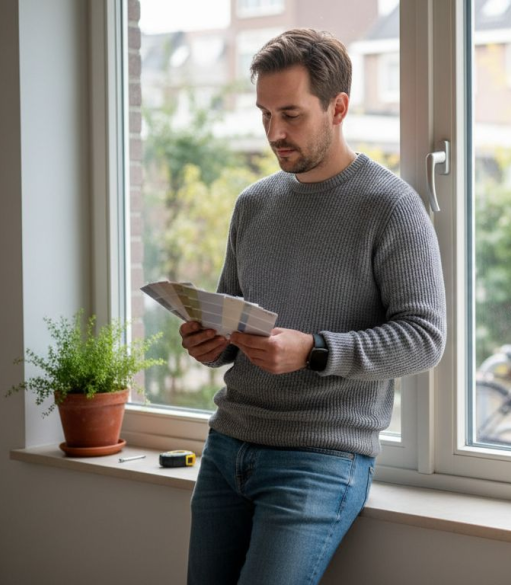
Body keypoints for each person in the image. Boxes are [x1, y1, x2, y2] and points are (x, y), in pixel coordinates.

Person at [179, 28, 445, 584]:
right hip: (227, 446)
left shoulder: (390, 207)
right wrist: (212, 344)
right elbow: (237, 322)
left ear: (338, 107)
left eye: (292, 114)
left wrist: (316, 351)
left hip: (319, 461)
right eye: (265, 114)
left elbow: (424, 337)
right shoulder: (253, 204)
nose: (275, 132)